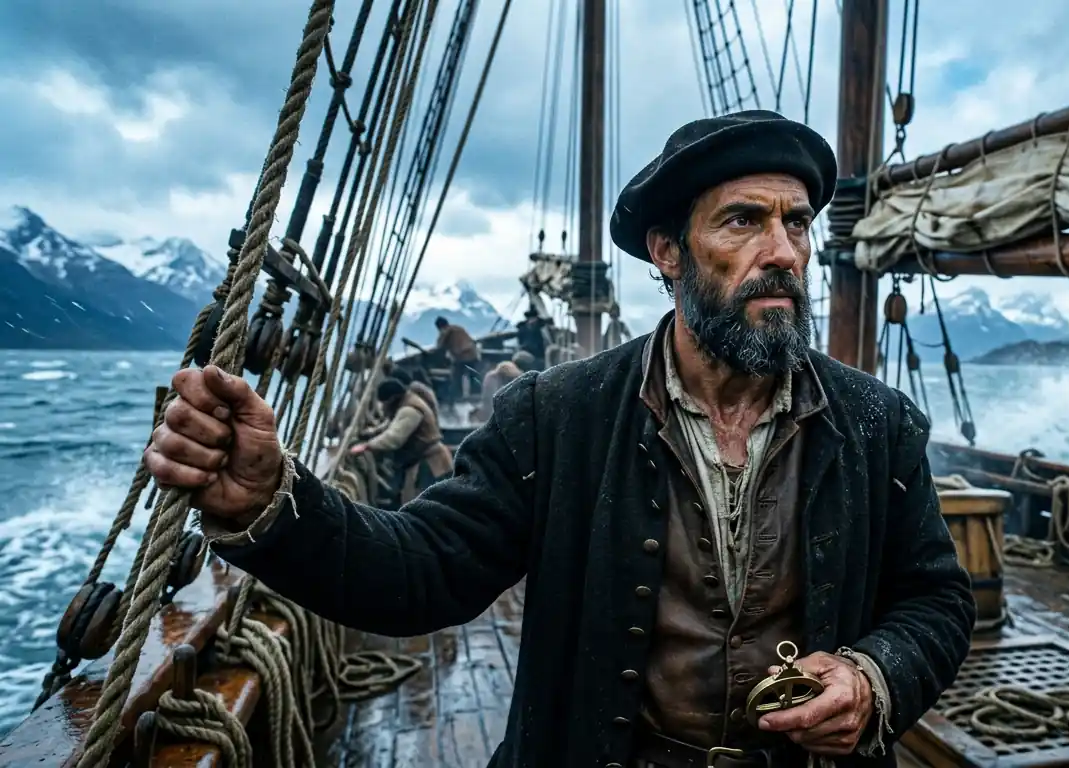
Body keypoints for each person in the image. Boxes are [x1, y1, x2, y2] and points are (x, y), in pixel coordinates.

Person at [145, 110, 975, 768]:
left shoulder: (878, 423)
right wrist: (270, 504)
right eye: (743, 221)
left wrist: (875, 678)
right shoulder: (559, 416)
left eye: (796, 223)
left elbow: (937, 601)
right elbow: (420, 573)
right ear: (667, 252)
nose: (782, 251)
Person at [347, 377, 453, 505]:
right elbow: (390, 424)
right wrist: (370, 433)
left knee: (428, 501)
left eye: (385, 402)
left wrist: (367, 446)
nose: (384, 406)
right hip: (423, 460)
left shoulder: (409, 410)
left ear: (392, 399)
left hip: (432, 464)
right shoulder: (407, 401)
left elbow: (394, 438)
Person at [435, 316, 482, 394]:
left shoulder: (446, 331)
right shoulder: (458, 328)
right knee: (473, 376)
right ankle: (476, 394)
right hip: (472, 354)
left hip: (461, 358)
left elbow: (439, 345)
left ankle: (457, 395)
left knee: (456, 378)